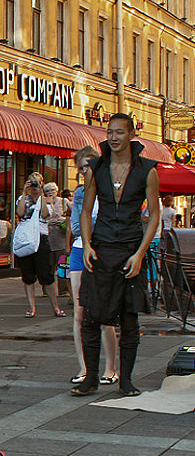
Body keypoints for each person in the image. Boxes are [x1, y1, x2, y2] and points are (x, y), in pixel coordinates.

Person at [74, 113, 160, 397]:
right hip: (101, 249)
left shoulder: (147, 170)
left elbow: (154, 215)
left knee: (129, 318)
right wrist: (86, 244)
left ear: (131, 134)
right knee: (90, 318)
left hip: (130, 250)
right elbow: (86, 210)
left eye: (119, 132)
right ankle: (91, 379)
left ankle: (126, 380)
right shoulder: (97, 167)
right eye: (110, 131)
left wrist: (140, 253)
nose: (113, 137)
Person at [68, 147, 118, 386]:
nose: (85, 171)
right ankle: (85, 367)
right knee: (79, 312)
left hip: (104, 252)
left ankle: (110, 367)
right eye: (81, 168)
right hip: (80, 250)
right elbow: (78, 228)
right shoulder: (80, 193)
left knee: (104, 313)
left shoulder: (110, 191)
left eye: (88, 166)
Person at [14, 173, 64, 318]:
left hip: (41, 239)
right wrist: (24, 192)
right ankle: (31, 307)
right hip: (26, 239)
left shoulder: (46, 200)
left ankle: (55, 307)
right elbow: (20, 212)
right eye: (32, 182)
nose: (34, 186)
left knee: (46, 275)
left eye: (37, 183)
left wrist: (41, 195)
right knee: (28, 275)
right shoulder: (22, 198)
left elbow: (45, 214)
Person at [43, 181, 71, 298]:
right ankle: (47, 290)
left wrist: (62, 219)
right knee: (47, 265)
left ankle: (63, 290)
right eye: (47, 191)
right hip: (48, 236)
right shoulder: (43, 202)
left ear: (57, 191)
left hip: (61, 236)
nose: (50, 193)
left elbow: (72, 215)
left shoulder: (64, 201)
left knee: (62, 264)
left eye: (52, 191)